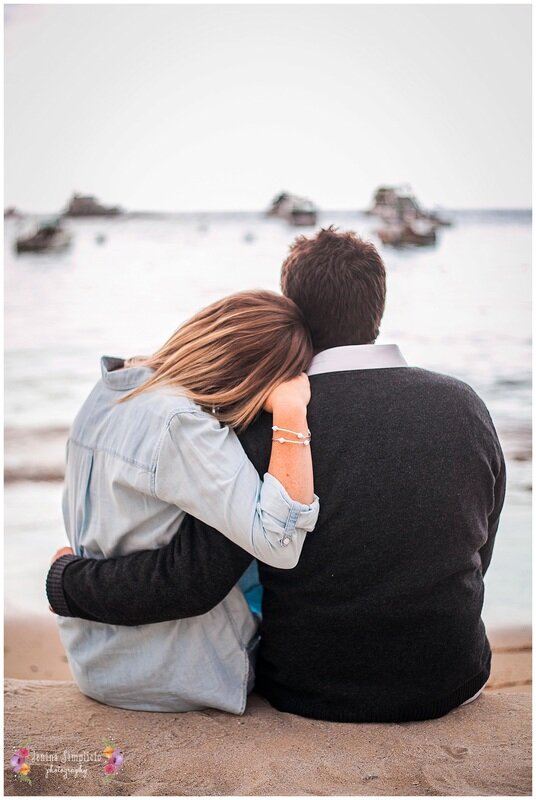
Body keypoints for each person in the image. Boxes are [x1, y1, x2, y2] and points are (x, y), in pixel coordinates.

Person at [48, 227, 506, 723]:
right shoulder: (466, 406)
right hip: (452, 675)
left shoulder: (260, 427)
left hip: (309, 688)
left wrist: (67, 581)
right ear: (379, 306)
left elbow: (193, 576)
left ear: (295, 308)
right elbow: (480, 549)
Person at [47, 290, 320, 713]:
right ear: (257, 377)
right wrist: (289, 411)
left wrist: (68, 581)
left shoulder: (109, 389)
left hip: (94, 661)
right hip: (177, 674)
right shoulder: (183, 425)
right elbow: (281, 544)